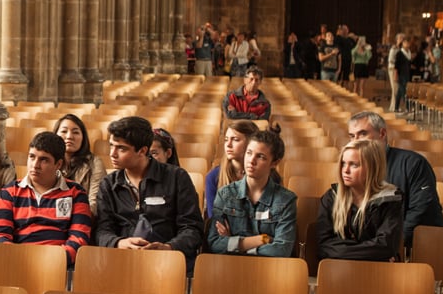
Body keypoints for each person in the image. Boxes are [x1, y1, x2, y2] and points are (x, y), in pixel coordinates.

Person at [94, 116, 204, 274]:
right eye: (111, 145)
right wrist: (119, 243)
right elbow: (101, 231)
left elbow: (193, 228)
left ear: (142, 151)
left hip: (167, 265)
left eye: (121, 148)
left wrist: (169, 247)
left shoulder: (177, 178)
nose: (112, 154)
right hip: (122, 262)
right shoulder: (108, 184)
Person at [0, 132, 92, 264]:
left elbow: (79, 238)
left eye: (44, 160)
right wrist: (18, 259)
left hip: (58, 265)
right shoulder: (10, 192)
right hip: (16, 262)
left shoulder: (76, 193)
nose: (35, 165)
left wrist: (52, 261)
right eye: (32, 157)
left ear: (58, 164)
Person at [347, 111, 443, 248]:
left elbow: (421, 211)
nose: (356, 141)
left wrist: (392, 244)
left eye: (363, 134)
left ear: (382, 134)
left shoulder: (414, 163)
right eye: (352, 136)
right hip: (374, 247)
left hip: (415, 245)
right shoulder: (351, 168)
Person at [208, 128, 297, 257]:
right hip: (232, 267)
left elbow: (281, 249)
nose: (251, 161)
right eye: (249, 153)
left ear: (274, 163)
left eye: (260, 157)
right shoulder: (225, 194)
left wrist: (235, 246)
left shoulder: (286, 200)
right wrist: (262, 240)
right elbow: (214, 243)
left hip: (270, 270)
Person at [316, 139, 403, 261]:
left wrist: (342, 250)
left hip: (379, 273)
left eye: (354, 165)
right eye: (343, 163)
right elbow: (324, 246)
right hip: (339, 271)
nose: (345, 170)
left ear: (372, 168)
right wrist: (375, 254)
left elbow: (386, 246)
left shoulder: (390, 199)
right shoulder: (331, 197)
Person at [54, 114, 106, 216]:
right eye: (64, 131)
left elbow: (94, 203)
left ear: (83, 138)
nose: (69, 136)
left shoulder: (95, 163)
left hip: (82, 219)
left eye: (76, 132)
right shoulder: (49, 162)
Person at [387, 33, 410, 112]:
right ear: (397, 40)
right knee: (395, 88)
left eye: (402, 39)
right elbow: (390, 60)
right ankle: (393, 106)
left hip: (400, 70)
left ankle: (396, 106)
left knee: (399, 88)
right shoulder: (394, 48)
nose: (401, 40)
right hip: (393, 69)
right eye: (400, 38)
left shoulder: (402, 50)